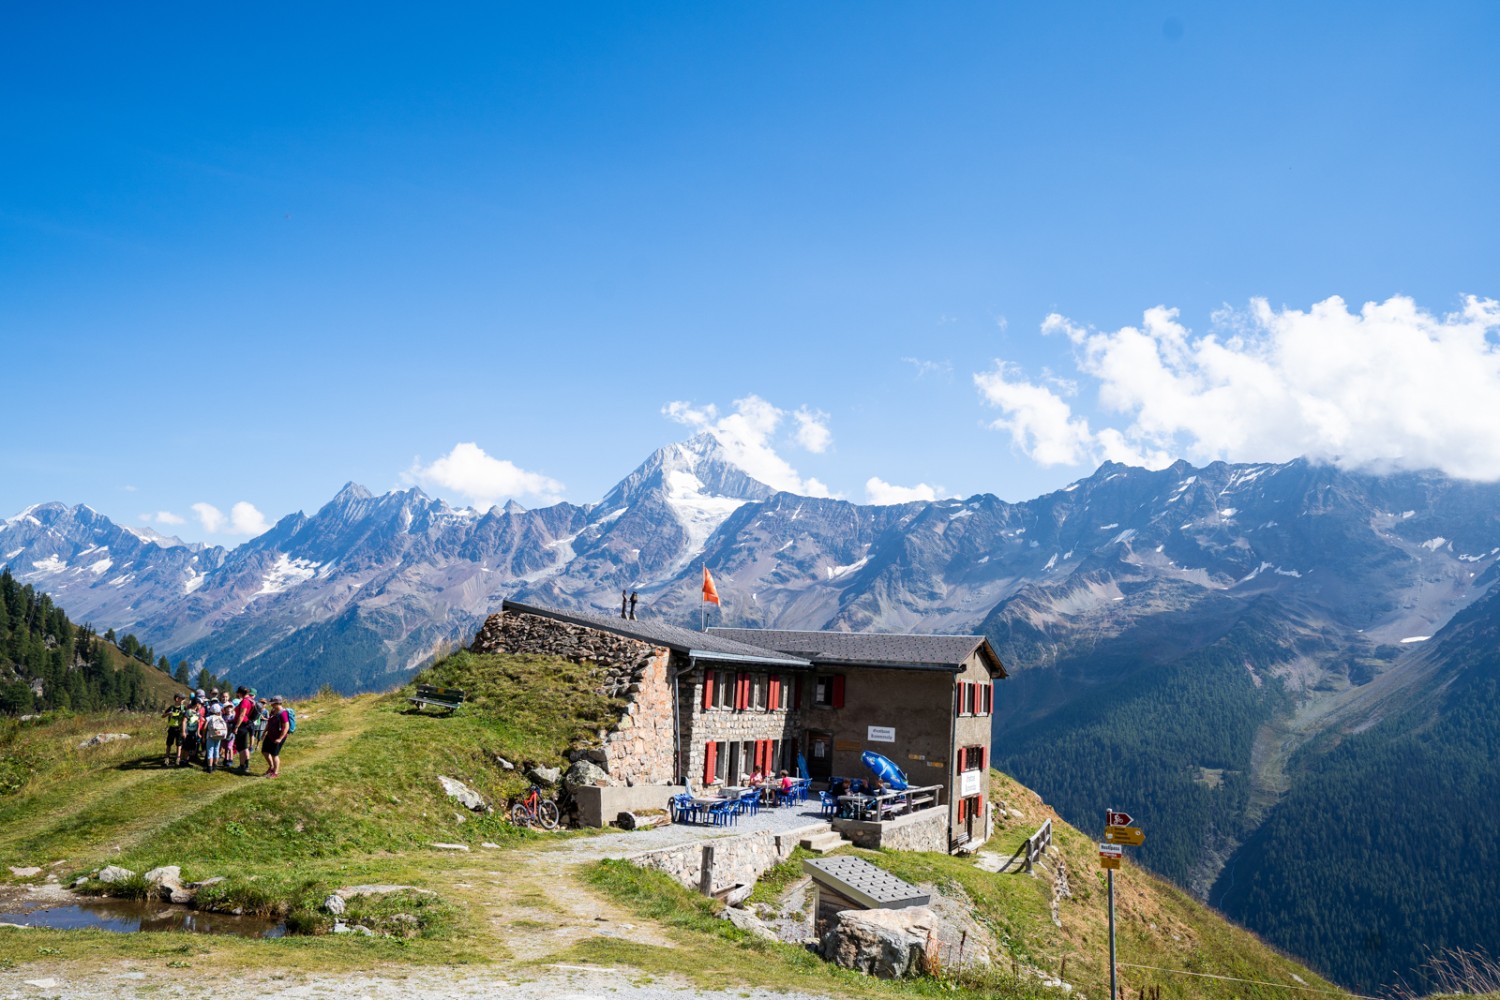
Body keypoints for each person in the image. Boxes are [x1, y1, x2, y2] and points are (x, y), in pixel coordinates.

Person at [261, 696, 291, 778]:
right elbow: (269, 722)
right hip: (270, 735)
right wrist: (264, 732)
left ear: (277, 703)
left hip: (278, 737)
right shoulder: (273, 711)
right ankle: (271, 767)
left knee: (274, 754)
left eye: (273, 703)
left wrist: (280, 738)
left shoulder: (283, 713)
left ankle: (275, 772)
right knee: (264, 751)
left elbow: (286, 727)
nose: (271, 705)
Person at [231, 686, 258, 774]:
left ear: (240, 693)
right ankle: (246, 765)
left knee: (242, 747)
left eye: (238, 693)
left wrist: (236, 727)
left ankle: (242, 766)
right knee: (245, 747)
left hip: (242, 725)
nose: (237, 694)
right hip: (247, 724)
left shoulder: (245, 701)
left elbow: (242, 715)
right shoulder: (250, 700)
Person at [163, 694, 186, 766]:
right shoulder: (171, 708)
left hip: (179, 728)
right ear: (177, 699)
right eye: (182, 699)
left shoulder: (184, 708)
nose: (183, 701)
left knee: (179, 744)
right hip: (171, 728)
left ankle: (178, 759)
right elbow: (162, 716)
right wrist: (168, 714)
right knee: (169, 744)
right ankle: (167, 758)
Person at [203, 705, 228, 773]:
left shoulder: (209, 717)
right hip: (219, 735)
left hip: (210, 735)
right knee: (216, 750)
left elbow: (205, 728)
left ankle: (209, 768)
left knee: (210, 751)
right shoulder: (220, 718)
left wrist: (203, 736)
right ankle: (215, 766)